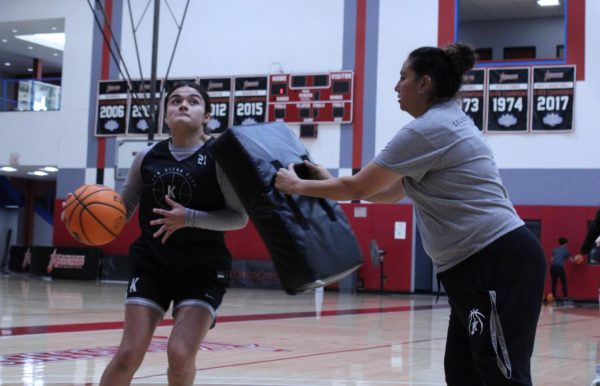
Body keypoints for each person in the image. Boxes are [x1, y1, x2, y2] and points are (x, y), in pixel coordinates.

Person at [275, 43, 546, 386]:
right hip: (469, 267)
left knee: (501, 375)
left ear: (424, 84)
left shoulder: (429, 129)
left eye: (403, 77)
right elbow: (387, 192)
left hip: (496, 261)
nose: (395, 86)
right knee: (462, 374)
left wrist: (296, 186)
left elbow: (358, 188)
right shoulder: (443, 122)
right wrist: (330, 181)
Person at [98, 81, 248, 386]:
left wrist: (188, 218)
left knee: (180, 354)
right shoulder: (147, 156)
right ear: (165, 115)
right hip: (153, 265)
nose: (183, 105)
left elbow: (239, 217)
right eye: (175, 100)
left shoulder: (220, 157)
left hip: (202, 270)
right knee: (128, 353)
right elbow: (121, 210)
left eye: (193, 101)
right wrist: (86, 217)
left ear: (206, 116)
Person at [549, 237, 574, 302]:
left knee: (554, 283)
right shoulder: (566, 251)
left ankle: (553, 298)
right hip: (559, 267)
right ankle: (565, 298)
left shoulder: (555, 249)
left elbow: (551, 260)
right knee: (564, 282)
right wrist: (577, 259)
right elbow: (571, 260)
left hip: (553, 266)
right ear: (566, 243)